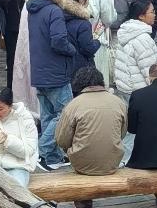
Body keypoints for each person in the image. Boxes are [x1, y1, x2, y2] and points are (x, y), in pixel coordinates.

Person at [24, 0, 74, 167]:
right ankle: (42, 149)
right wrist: (72, 50)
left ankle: (51, 158)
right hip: (56, 70)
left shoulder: (32, 8)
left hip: (39, 69)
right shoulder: (54, 10)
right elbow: (59, 40)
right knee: (65, 113)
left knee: (47, 115)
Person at [54, 63, 127, 192]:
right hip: (112, 162)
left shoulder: (73, 105)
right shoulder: (119, 102)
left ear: (78, 83)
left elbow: (61, 140)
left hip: (82, 164)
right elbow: (122, 133)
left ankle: (82, 203)